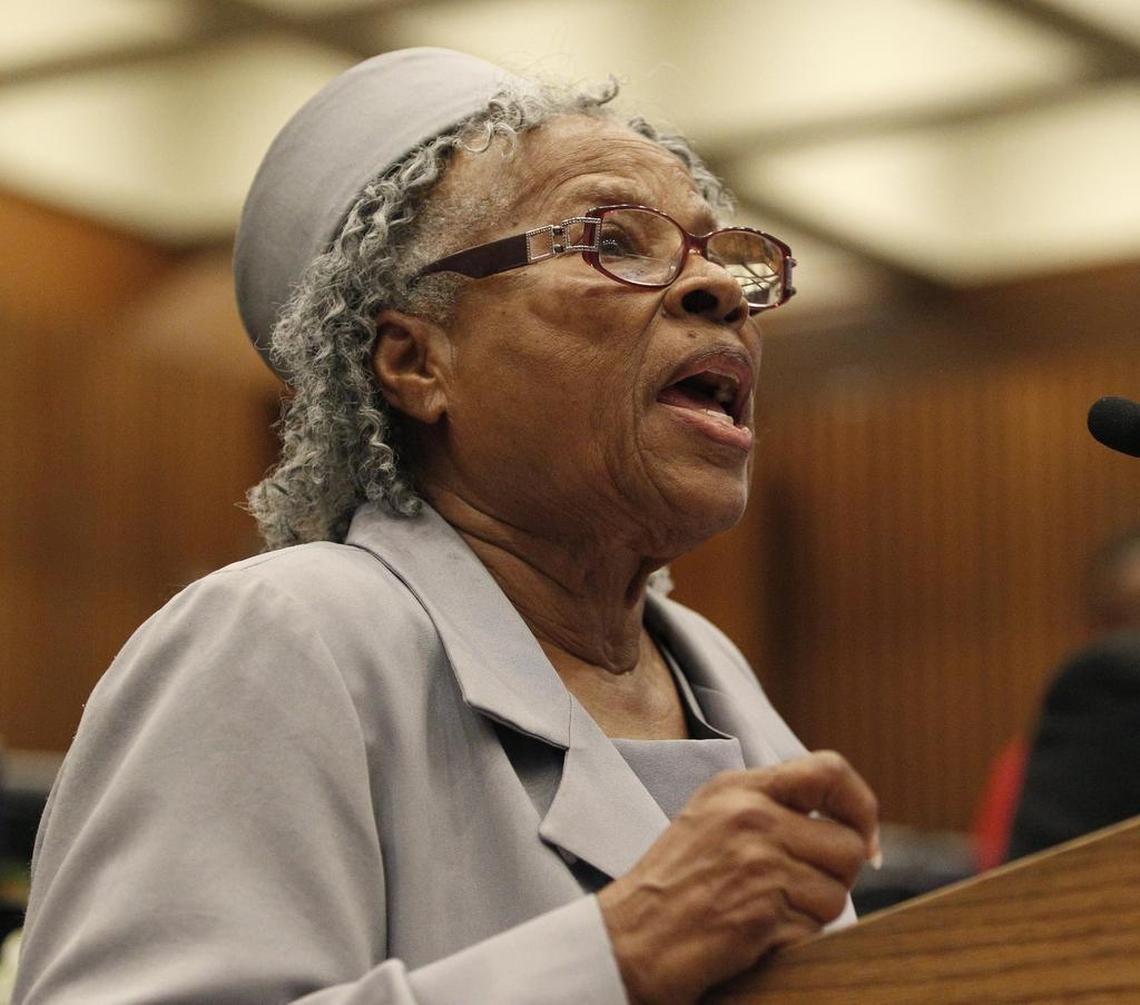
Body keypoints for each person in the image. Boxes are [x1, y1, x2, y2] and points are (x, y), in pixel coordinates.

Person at [14, 48, 879, 1004]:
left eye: (718, 253)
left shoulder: (720, 679)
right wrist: (618, 952)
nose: (714, 287)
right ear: (416, 363)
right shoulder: (285, 633)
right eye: (614, 240)